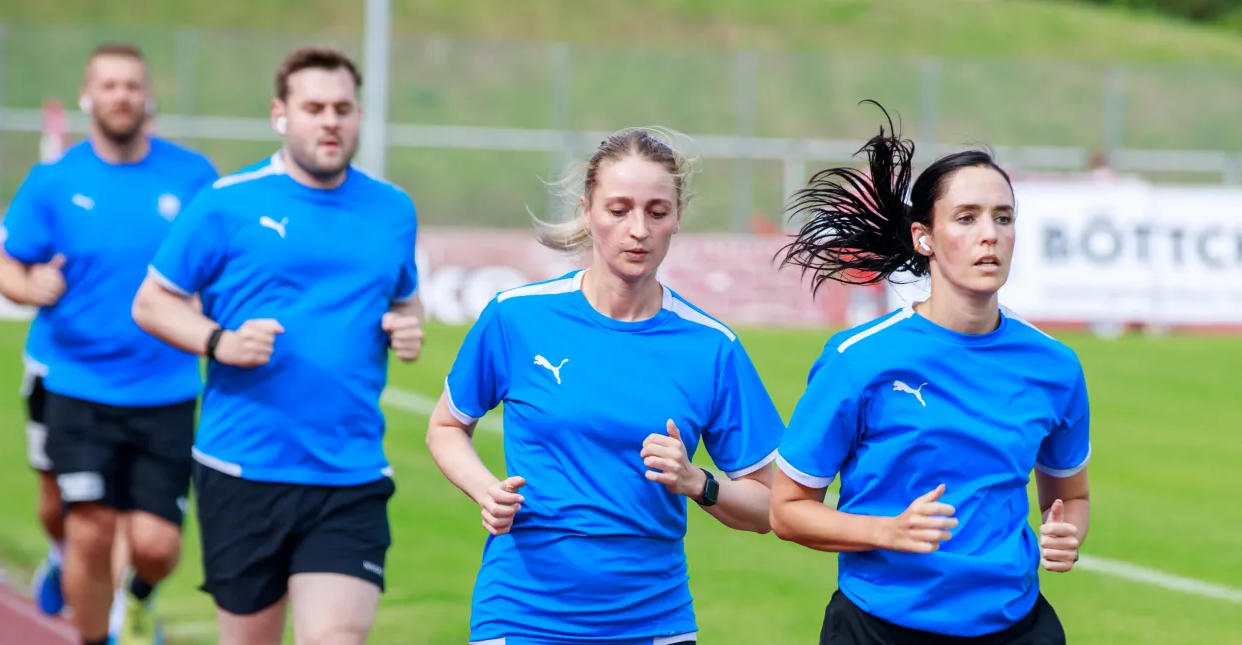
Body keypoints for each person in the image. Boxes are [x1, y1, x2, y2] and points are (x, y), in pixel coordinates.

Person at [426, 128, 784, 645]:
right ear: (587, 210)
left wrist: (697, 482)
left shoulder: (712, 347)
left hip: (653, 621)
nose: (637, 229)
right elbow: (445, 425)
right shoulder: (517, 317)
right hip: (521, 616)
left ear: (677, 218)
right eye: (619, 210)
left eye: (656, 212)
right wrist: (485, 489)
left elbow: (768, 507)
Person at [769, 101, 1092, 645]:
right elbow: (788, 510)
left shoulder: (1055, 366)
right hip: (881, 628)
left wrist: (1067, 535)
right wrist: (886, 531)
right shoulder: (859, 359)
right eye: (966, 218)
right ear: (925, 238)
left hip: (1016, 626)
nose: (989, 234)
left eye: (1003, 217)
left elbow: (1072, 497)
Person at [132, 46, 424, 645]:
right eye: (313, 107)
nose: (330, 121)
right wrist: (220, 341)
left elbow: (404, 299)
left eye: (343, 108)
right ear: (280, 114)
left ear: (359, 115)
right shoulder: (226, 202)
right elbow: (151, 302)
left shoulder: (393, 209)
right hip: (245, 467)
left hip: (351, 472)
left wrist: (407, 325)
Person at [0, 43, 219, 645]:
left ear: (148, 97)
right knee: (84, 530)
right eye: (109, 85)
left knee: (156, 546)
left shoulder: (193, 177)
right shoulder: (54, 181)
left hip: (165, 386)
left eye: (132, 85)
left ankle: (139, 599)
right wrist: (27, 284)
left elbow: (225, 262)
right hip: (75, 383)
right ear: (88, 97)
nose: (122, 96)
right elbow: (5, 266)